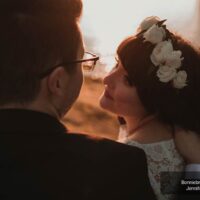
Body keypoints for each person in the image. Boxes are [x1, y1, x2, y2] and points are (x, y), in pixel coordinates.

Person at [0, 1, 156, 199]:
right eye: (82, 61)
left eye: (127, 78)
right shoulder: (114, 167)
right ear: (57, 82)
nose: (106, 79)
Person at [100, 16, 200, 199]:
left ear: (156, 99)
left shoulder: (129, 157)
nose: (106, 79)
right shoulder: (173, 147)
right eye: (116, 64)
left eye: (127, 81)